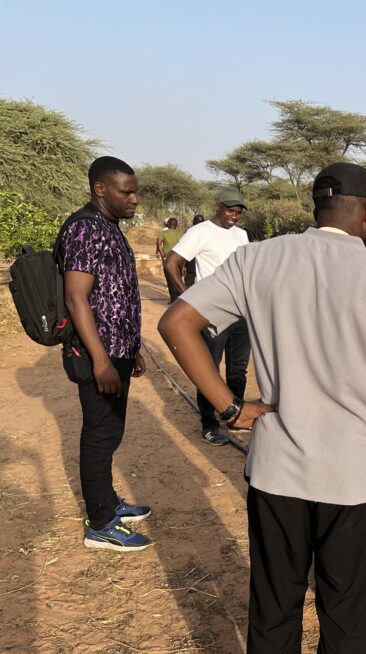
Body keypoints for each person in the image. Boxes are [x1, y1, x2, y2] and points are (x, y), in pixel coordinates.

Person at [158, 161, 366, 654]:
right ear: (365, 213)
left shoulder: (258, 261)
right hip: (355, 480)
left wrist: (229, 409)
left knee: (275, 604)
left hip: (277, 470)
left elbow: (177, 322)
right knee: (346, 613)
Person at [57, 156, 152, 551]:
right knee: (99, 435)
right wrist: (100, 360)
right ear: (101, 189)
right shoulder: (83, 229)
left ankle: (108, 502)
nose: (134, 199)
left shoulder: (107, 227)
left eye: (135, 191)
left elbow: (118, 295)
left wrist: (134, 347)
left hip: (118, 352)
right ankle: (99, 524)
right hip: (98, 356)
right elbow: (77, 299)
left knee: (110, 432)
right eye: (125, 191)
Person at [164, 189, 251, 445]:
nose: (233, 216)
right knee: (208, 369)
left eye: (238, 212)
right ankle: (210, 424)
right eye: (229, 210)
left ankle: (235, 416)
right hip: (212, 312)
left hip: (241, 311)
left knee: (238, 370)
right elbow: (171, 263)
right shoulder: (200, 232)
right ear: (218, 206)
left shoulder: (242, 235)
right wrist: (189, 298)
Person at [156, 217, 183, 303]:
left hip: (168, 259)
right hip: (179, 259)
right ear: (176, 225)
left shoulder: (163, 233)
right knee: (178, 278)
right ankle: (180, 298)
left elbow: (159, 243)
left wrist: (162, 254)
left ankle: (173, 299)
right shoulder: (181, 234)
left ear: (168, 224)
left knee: (170, 279)